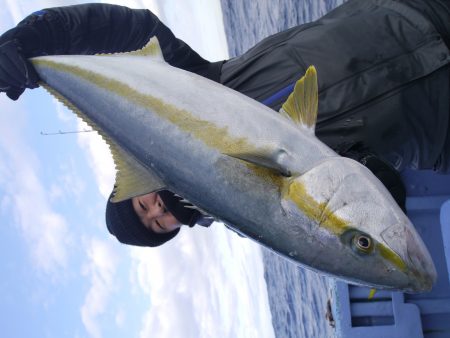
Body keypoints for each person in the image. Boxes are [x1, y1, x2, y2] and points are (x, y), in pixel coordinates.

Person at [0, 0, 448, 247]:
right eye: (157, 225)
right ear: (173, 231)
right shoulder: (260, 218)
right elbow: (343, 172)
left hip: (407, 16)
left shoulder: (194, 88)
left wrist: (32, 41)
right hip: (438, 126)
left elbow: (128, 30)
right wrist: (376, 182)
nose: (157, 211)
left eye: (142, 207)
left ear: (134, 177)